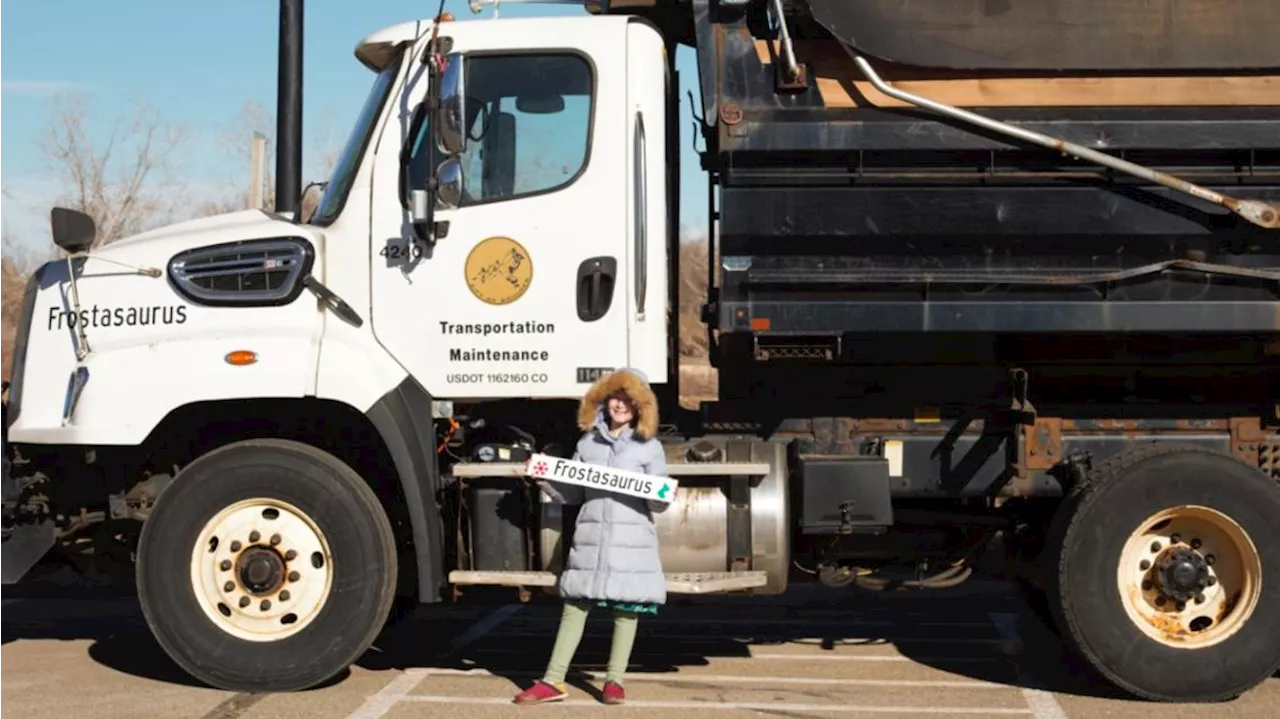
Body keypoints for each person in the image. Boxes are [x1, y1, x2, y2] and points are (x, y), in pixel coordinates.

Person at [513, 367, 671, 706]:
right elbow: (573, 495)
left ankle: (614, 681)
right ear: (604, 399)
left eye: (629, 399)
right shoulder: (587, 443)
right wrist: (543, 476)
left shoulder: (650, 447)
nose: (621, 404)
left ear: (641, 405)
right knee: (574, 606)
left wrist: (659, 493)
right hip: (590, 539)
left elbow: (658, 502)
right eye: (616, 396)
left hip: (631, 543)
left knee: (626, 611)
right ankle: (553, 680)